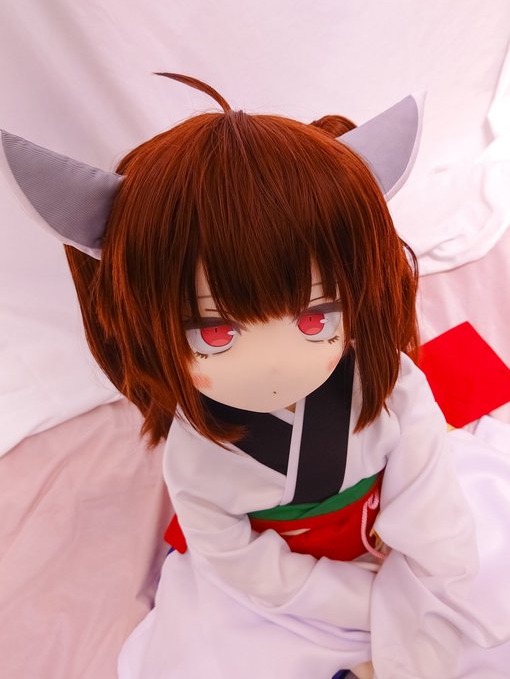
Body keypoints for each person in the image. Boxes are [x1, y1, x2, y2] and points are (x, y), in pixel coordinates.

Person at [2, 74, 510, 679]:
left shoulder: (389, 386)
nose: (273, 363)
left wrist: (417, 585)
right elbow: (234, 557)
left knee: (478, 584)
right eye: (216, 333)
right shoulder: (198, 452)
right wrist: (362, 602)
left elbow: (431, 506)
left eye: (315, 317)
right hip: (290, 586)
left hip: (397, 540)